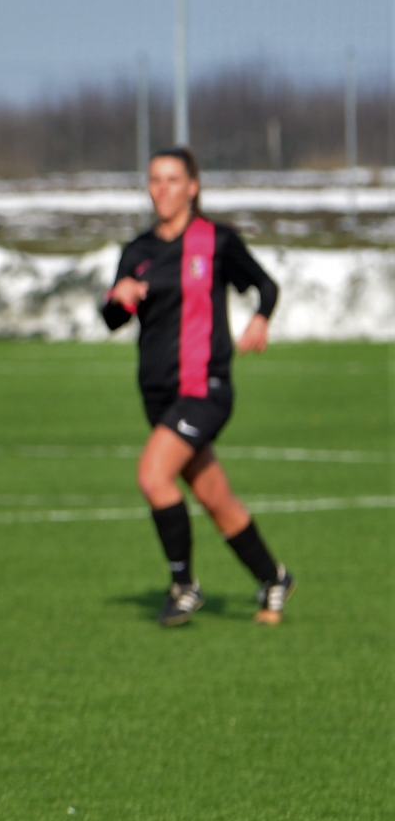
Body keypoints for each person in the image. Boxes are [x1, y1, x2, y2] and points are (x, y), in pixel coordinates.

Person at [101, 147, 293, 626]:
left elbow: (266, 286)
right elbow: (113, 319)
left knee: (153, 477)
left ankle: (184, 585)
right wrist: (118, 299)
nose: (162, 189)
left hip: (205, 389)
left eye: (172, 179)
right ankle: (273, 578)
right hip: (158, 394)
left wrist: (260, 320)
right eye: (155, 179)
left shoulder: (216, 241)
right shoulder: (137, 251)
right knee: (213, 496)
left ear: (193, 187)